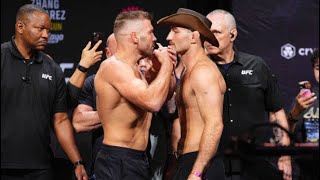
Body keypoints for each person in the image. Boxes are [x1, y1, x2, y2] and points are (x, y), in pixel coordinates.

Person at [1, 4, 89, 180]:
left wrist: (77, 162)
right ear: (20, 27)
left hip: (41, 167)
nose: (46, 35)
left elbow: (61, 120)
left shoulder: (52, 68)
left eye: (48, 30)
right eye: (40, 29)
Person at [205, 9, 292, 180]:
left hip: (255, 161)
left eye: (216, 32)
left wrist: (284, 155)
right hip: (212, 161)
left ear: (233, 35)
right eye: (207, 33)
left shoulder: (257, 66)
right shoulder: (200, 70)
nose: (210, 38)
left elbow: (276, 112)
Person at [93, 10, 176, 179]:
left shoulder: (135, 71)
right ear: (135, 37)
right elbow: (153, 103)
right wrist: (166, 66)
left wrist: (167, 69)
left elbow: (164, 95)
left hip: (137, 159)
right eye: (150, 32)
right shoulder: (113, 67)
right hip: (118, 160)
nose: (154, 38)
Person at [158, 8, 226, 180]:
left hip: (201, 163)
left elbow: (215, 124)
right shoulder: (188, 71)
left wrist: (197, 172)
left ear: (194, 37)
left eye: (175, 31)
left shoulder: (203, 72)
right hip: (186, 161)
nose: (168, 37)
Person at [72, 33, 117, 179]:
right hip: (101, 166)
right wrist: (119, 110)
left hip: (136, 164)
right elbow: (79, 122)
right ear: (108, 53)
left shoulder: (141, 80)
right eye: (120, 49)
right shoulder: (93, 82)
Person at [287, 48, 318, 180]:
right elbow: (285, 135)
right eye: (318, 67)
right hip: (309, 172)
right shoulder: (306, 98)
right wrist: (296, 111)